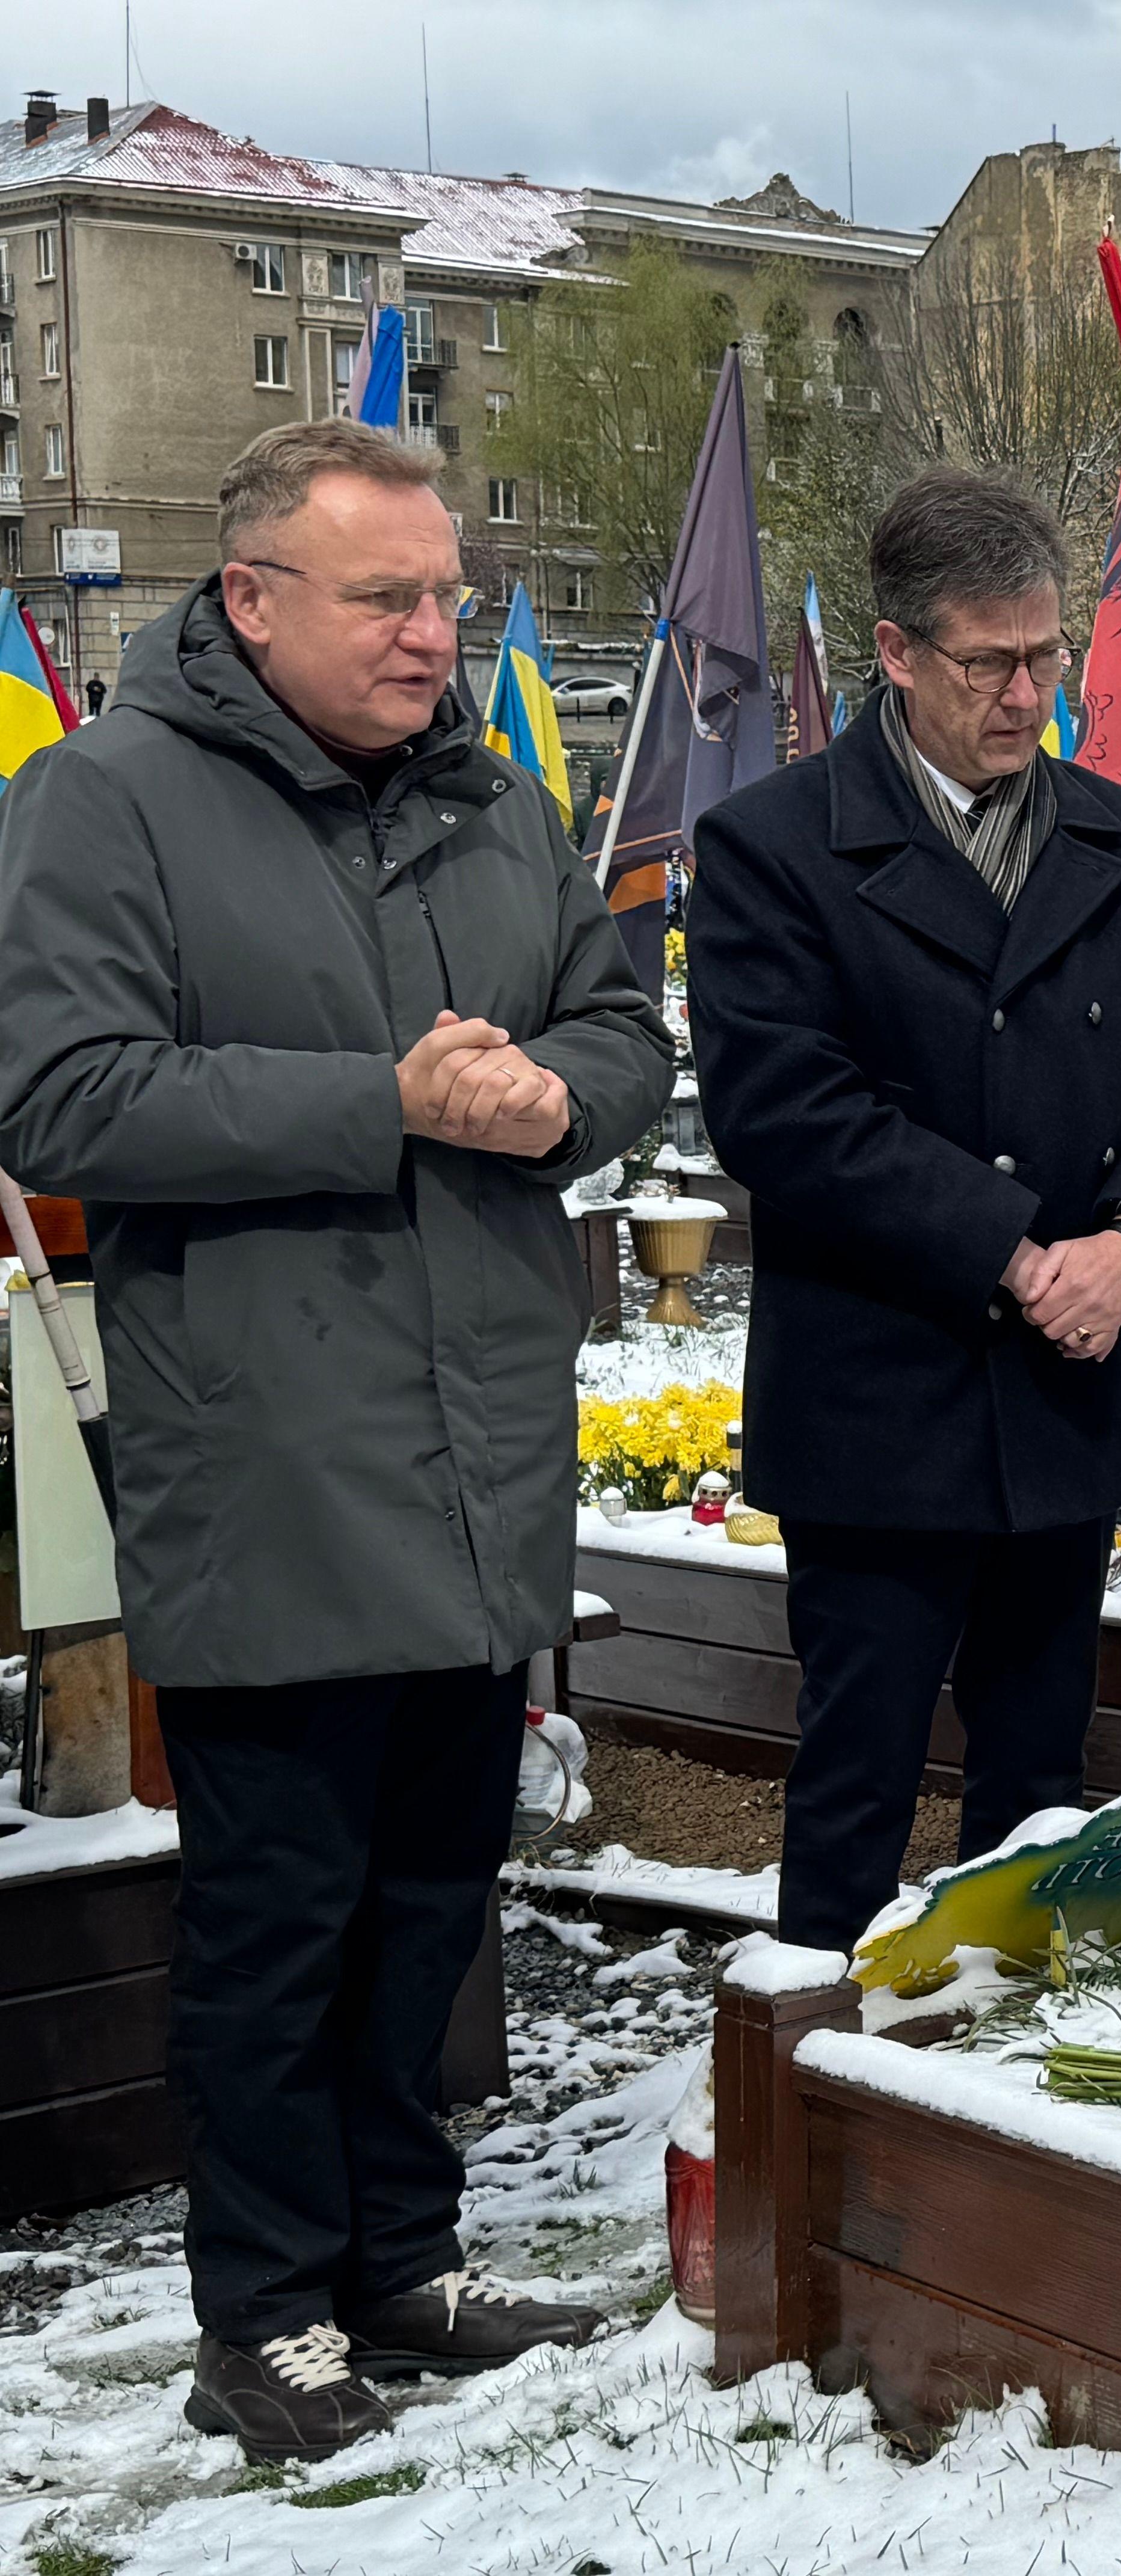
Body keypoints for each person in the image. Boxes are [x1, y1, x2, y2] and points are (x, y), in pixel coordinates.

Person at [0, 418, 673, 2459]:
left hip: (480, 1465)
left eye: (446, 594)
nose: (428, 631)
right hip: (273, 1466)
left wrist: (554, 1104)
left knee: (428, 1899)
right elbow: (68, 1102)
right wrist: (381, 1099)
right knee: (278, 1916)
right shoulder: (101, 801)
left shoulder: (490, 800)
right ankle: (268, 2306)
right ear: (251, 599)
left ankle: (408, 2255)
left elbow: (623, 1024)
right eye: (384, 596)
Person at [688, 467, 1121, 1957]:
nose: (1027, 694)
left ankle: (1002, 2094)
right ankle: (812, 2091)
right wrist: (1008, 1254)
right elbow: (788, 1112)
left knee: (1041, 1793)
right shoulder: (772, 847)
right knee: (857, 1783)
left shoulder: (1116, 843)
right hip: (883, 1403)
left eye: (1047, 655)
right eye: (989, 663)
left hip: (1065, 1398)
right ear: (897, 652)